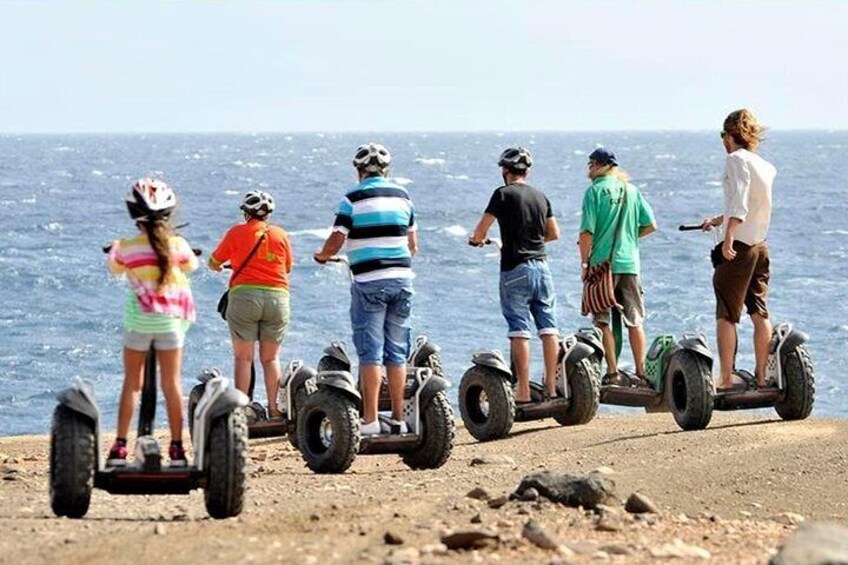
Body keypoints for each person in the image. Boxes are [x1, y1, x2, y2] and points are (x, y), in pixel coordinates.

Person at [314, 143, 417, 436]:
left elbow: (336, 239)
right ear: (386, 170)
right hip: (402, 280)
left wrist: (322, 255)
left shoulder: (352, 198)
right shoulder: (403, 196)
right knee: (396, 353)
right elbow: (413, 245)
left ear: (359, 171)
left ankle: (370, 419)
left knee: (371, 352)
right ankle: (398, 418)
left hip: (369, 282)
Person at [106, 178, 198, 466]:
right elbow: (190, 265)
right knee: (171, 385)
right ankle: (177, 449)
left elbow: (115, 267)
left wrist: (115, 251)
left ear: (134, 214)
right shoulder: (178, 245)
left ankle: (120, 446)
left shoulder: (126, 247)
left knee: (132, 384)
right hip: (170, 326)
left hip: (139, 325)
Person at [469, 147, 561, 402]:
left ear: (505, 171)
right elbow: (554, 233)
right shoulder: (541, 196)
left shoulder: (502, 195)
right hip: (542, 267)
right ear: (527, 171)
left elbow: (480, 232)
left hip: (515, 268)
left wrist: (476, 240)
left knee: (519, 329)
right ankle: (552, 389)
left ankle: (522, 390)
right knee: (548, 327)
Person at [700, 109, 776, 390]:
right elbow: (751, 204)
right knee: (759, 312)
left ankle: (726, 378)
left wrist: (728, 237)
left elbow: (741, 201)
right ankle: (761, 377)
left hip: (740, 247)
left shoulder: (735, 159)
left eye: (723, 135)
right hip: (760, 246)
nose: (722, 141)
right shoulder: (765, 166)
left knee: (726, 314)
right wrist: (718, 220)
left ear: (730, 136)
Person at [209, 190, 293, 418]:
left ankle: (243, 410)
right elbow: (286, 268)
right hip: (277, 298)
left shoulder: (236, 233)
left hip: (244, 297)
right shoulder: (280, 234)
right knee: (271, 358)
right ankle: (275, 410)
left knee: (243, 357)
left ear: (246, 214)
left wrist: (221, 266)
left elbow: (214, 261)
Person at [578, 148, 657, 386]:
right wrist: (629, 238)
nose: (589, 168)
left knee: (602, 320)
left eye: (592, 163)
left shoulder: (594, 192)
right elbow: (651, 225)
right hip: (630, 263)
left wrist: (584, 263)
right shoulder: (631, 191)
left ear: (604, 166)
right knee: (635, 320)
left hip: (603, 266)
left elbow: (586, 233)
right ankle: (642, 372)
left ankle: (613, 373)